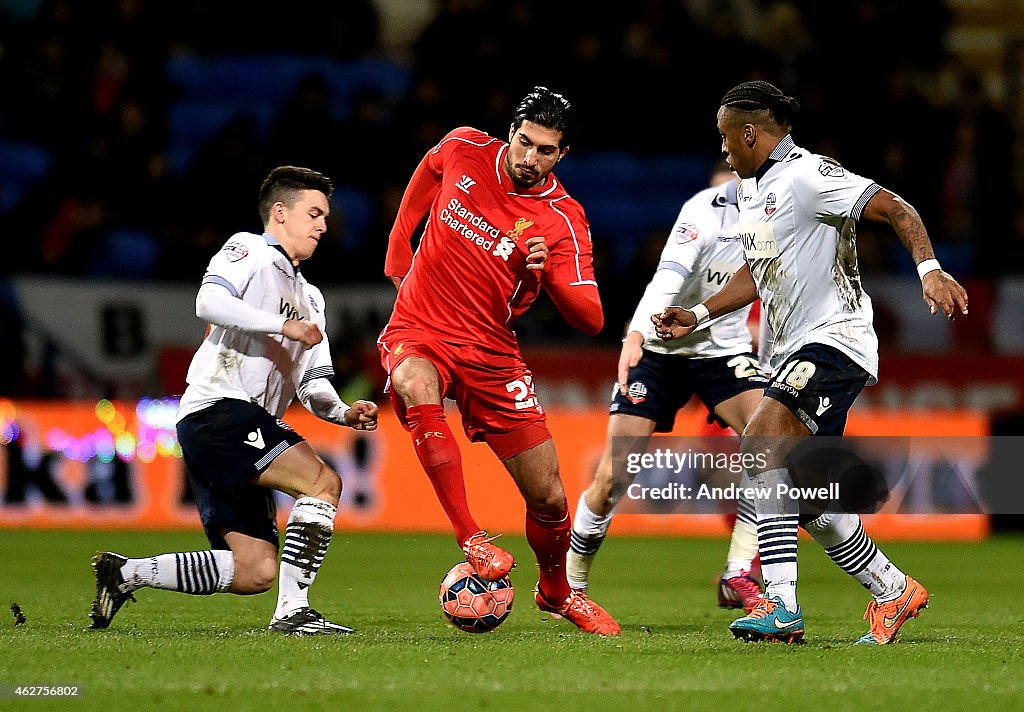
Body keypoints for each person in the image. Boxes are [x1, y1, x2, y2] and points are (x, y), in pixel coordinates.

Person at [653, 80, 969, 644]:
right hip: (789, 348)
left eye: (726, 136)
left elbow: (895, 207)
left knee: (761, 440)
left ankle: (781, 605)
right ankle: (893, 590)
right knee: (808, 499)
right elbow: (759, 271)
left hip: (834, 340)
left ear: (750, 131)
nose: (722, 148)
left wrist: (929, 270)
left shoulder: (807, 174)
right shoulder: (753, 192)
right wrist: (696, 314)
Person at [89, 166, 379, 635]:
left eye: (325, 216)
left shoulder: (313, 298)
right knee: (323, 483)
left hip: (242, 423)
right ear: (279, 213)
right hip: (218, 409)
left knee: (255, 570)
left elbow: (314, 383)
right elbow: (208, 301)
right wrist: (281, 326)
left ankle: (126, 574)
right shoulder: (249, 250)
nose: (323, 225)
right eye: (314, 213)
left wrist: (343, 411)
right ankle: (294, 612)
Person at [379, 86, 620, 635]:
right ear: (511, 131)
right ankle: (472, 538)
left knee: (550, 495)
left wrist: (549, 272)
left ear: (562, 155)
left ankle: (556, 591)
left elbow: (591, 318)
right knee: (413, 381)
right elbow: (430, 167)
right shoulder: (465, 146)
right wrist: (400, 241)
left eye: (545, 150)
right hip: (421, 325)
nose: (528, 158)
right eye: (524, 142)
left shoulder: (562, 218)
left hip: (491, 351)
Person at [566, 160, 767, 613]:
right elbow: (667, 278)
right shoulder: (701, 213)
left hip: (722, 352)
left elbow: (771, 292)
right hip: (660, 348)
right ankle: (569, 584)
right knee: (615, 475)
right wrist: (636, 335)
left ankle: (738, 573)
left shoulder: (773, 221)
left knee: (773, 445)